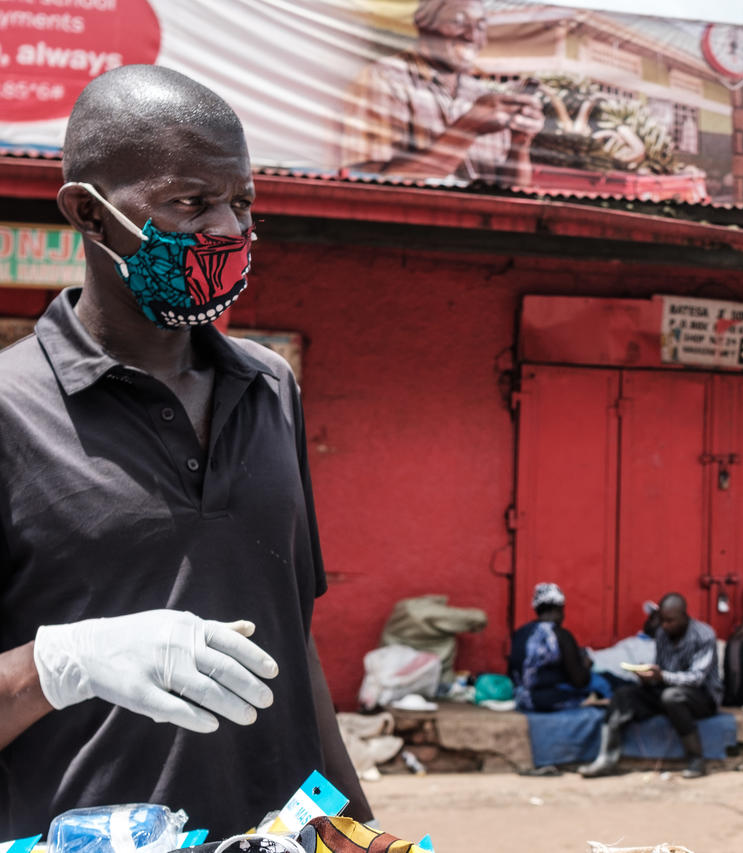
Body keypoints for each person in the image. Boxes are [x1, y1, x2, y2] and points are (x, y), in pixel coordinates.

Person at [0, 65, 370, 837]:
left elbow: (291, 636)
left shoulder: (270, 387)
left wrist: (358, 823)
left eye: (241, 201)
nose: (228, 230)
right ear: (90, 216)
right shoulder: (10, 410)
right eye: (189, 203)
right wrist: (63, 663)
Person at [341, 0, 544, 185]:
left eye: (481, 25)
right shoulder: (384, 79)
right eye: (458, 22)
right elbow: (369, 182)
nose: (471, 35)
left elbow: (509, 190)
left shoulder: (479, 94)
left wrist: (520, 144)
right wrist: (467, 129)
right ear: (425, 25)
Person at [579, 593, 721, 779]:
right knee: (624, 695)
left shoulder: (704, 635)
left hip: (701, 697)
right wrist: (649, 677)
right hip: (665, 690)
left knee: (672, 697)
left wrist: (662, 676)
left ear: (684, 616)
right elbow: (662, 668)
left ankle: (696, 759)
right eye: (662, 620)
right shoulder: (662, 634)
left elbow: (696, 678)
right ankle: (606, 758)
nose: (665, 625)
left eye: (670, 621)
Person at [508, 582, 600, 711]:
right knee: (602, 683)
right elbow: (579, 681)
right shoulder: (561, 635)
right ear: (558, 609)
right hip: (550, 701)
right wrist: (586, 664)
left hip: (520, 699)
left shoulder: (520, 633)